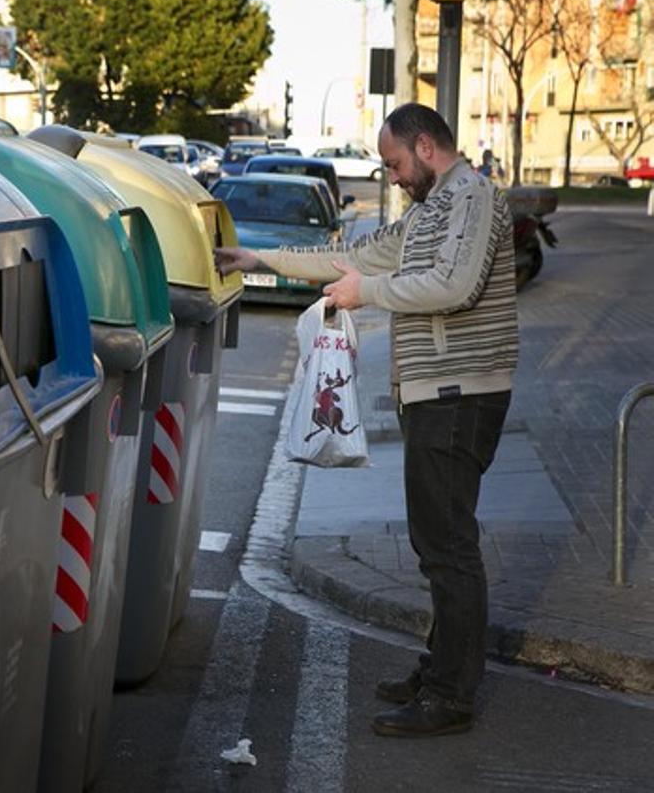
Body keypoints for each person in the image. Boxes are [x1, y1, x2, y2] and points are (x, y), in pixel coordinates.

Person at [215, 103, 518, 738]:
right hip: (436, 395)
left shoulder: (474, 197)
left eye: (397, 164)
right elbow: (354, 257)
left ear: (427, 146)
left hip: (461, 396)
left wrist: (368, 294)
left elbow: (452, 285)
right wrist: (257, 260)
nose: (394, 177)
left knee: (448, 546)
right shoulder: (429, 210)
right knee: (435, 542)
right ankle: (440, 670)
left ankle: (450, 696)